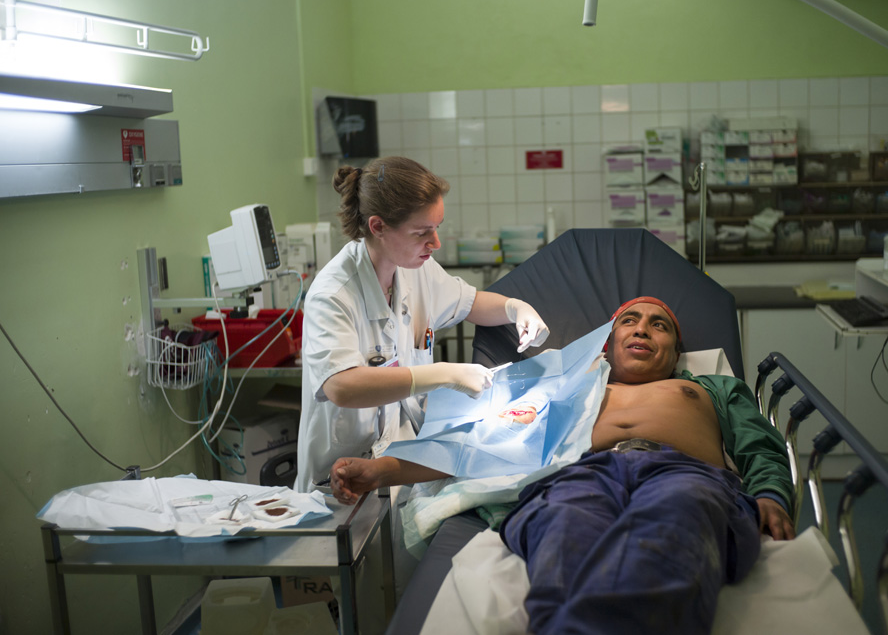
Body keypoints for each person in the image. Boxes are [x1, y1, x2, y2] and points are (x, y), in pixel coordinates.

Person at [329, 296, 794, 634]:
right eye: (628, 321)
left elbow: (760, 446)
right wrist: (383, 470)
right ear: (607, 347)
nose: (642, 329)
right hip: (580, 475)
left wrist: (772, 493)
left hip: (685, 474)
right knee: (566, 528)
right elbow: (478, 445)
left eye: (659, 326)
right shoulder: (567, 386)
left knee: (676, 521)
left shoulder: (709, 388)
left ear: (675, 353)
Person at [294, 156, 549, 494]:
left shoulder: (417, 270)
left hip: (400, 469)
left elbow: (471, 303)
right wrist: (445, 373)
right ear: (378, 227)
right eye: (422, 232)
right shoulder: (334, 294)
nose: (436, 243)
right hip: (341, 482)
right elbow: (342, 386)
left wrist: (517, 309)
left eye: (437, 227)